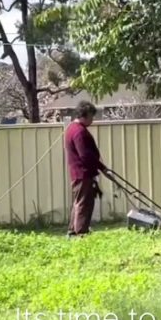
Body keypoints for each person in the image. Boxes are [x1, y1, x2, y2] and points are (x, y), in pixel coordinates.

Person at [65, 101, 106, 237]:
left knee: (78, 202)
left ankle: (72, 231)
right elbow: (85, 155)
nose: (92, 120)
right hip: (83, 173)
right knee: (84, 203)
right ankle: (81, 232)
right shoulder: (79, 131)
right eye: (91, 116)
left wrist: (100, 168)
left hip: (77, 173)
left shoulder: (71, 128)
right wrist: (101, 168)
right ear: (85, 114)